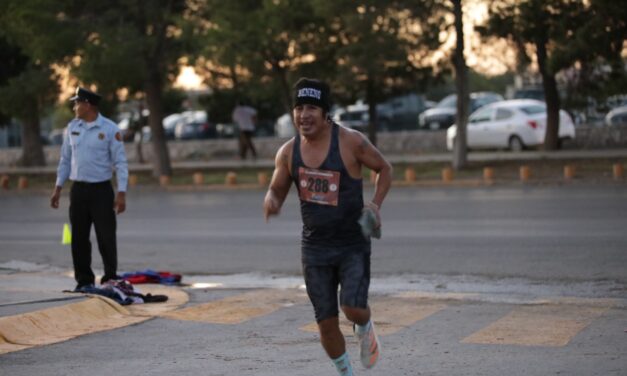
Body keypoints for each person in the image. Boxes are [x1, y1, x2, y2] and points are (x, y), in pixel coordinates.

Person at [263, 78, 392, 376]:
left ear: (324, 113)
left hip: (352, 243)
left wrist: (374, 203)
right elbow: (277, 189)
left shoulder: (351, 141)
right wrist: (271, 200)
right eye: (299, 108)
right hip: (315, 247)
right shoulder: (288, 152)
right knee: (325, 320)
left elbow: (384, 169)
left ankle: (365, 326)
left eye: (311, 108)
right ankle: (345, 371)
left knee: (353, 308)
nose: (304, 115)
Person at [50, 87, 128, 291]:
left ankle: (110, 278)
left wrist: (121, 193)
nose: (74, 107)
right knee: (79, 238)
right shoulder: (72, 128)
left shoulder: (110, 129)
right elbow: (65, 160)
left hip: (101, 191)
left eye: (77, 103)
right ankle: (84, 280)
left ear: (88, 105)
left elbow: (120, 163)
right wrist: (58, 187)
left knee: (106, 236)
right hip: (78, 191)